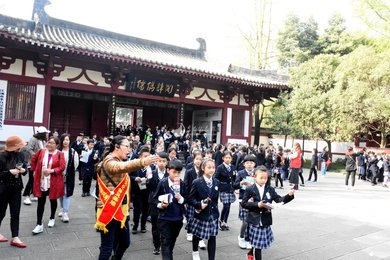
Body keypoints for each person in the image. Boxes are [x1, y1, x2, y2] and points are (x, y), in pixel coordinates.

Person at [95, 135, 158, 260]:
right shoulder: (109, 161)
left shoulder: (119, 160)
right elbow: (120, 168)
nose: (129, 150)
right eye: (127, 147)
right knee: (107, 248)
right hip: (109, 209)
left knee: (125, 242)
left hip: (121, 210)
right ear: (117, 147)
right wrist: (142, 162)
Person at [242, 166, 294, 260]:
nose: (263, 180)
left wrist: (289, 195)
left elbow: (278, 199)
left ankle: (250, 253)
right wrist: (257, 204)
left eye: (265, 178)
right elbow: (244, 204)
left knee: (258, 243)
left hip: (265, 219)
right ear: (255, 177)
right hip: (254, 220)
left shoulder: (270, 189)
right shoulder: (250, 189)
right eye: (261, 178)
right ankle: (252, 255)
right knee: (258, 246)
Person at [30, 136, 66, 234]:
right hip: (42, 181)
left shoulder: (60, 154)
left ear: (57, 145)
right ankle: (39, 224)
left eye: (52, 143)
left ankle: (52, 218)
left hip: (53, 181)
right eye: (48, 142)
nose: (49, 144)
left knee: (53, 200)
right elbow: (33, 159)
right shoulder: (42, 151)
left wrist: (52, 170)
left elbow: (62, 167)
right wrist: (33, 171)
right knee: (41, 202)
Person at [153, 159, 187, 260]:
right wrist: (160, 205)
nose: (176, 175)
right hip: (165, 219)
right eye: (174, 172)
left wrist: (181, 198)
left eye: (179, 172)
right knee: (165, 242)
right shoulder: (163, 183)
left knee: (172, 241)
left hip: (177, 219)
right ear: (168, 170)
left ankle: (169, 254)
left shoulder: (182, 184)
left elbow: (187, 199)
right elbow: (154, 199)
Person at [188, 158, 220, 260]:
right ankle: (195, 251)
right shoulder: (197, 182)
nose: (212, 170)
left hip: (213, 214)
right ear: (203, 168)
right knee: (197, 234)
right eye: (209, 167)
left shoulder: (216, 182)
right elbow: (190, 198)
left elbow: (215, 199)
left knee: (212, 236)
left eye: (213, 167)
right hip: (201, 213)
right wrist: (198, 204)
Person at [0, 136, 28, 248]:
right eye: (19, 146)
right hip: (3, 189)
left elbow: (25, 168)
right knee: (1, 213)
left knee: (15, 213)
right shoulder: (1, 156)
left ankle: (15, 237)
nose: (21, 148)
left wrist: (24, 170)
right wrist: (9, 172)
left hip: (16, 188)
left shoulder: (20, 154)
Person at [146, 152, 169, 255]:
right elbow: (149, 188)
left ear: (167, 162)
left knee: (165, 225)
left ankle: (165, 243)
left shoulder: (169, 174)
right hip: (154, 202)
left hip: (166, 202)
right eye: (160, 161)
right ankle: (156, 245)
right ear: (156, 162)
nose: (161, 163)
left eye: (164, 161)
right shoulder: (153, 172)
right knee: (155, 226)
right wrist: (149, 179)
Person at [233, 154, 257, 249]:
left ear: (254, 164)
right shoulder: (241, 173)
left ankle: (248, 239)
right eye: (247, 163)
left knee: (252, 221)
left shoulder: (257, 172)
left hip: (255, 200)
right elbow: (235, 185)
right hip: (244, 199)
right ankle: (241, 237)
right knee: (245, 221)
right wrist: (241, 183)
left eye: (251, 163)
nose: (249, 165)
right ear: (244, 164)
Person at [183, 149, 205, 249]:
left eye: (200, 159)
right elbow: (186, 185)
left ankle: (200, 238)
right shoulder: (189, 171)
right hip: (191, 198)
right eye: (197, 159)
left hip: (201, 199)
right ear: (193, 159)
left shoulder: (203, 172)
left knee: (200, 218)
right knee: (191, 217)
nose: (198, 161)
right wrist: (187, 198)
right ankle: (189, 232)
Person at [23, 126, 50, 205]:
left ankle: (33, 194)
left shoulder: (43, 141)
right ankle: (26, 196)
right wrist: (36, 156)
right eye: (46, 133)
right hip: (32, 163)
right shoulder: (33, 139)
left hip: (41, 164)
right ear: (42, 134)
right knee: (31, 179)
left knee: (37, 179)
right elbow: (29, 149)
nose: (47, 135)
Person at [130, 145, 153, 234]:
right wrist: (135, 178)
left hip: (147, 192)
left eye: (148, 156)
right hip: (137, 191)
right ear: (140, 157)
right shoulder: (135, 165)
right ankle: (135, 225)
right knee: (137, 210)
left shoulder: (152, 167)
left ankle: (143, 225)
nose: (147, 158)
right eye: (145, 156)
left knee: (146, 209)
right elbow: (129, 176)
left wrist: (149, 178)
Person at [58, 133, 80, 222]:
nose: (65, 141)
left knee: (66, 194)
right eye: (64, 139)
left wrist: (68, 172)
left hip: (69, 176)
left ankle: (65, 212)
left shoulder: (73, 152)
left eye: (67, 139)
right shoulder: (58, 151)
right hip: (58, 175)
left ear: (70, 141)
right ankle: (62, 208)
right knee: (60, 194)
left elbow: (75, 164)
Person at [215, 150, 236, 231]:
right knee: (226, 206)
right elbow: (216, 178)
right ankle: (221, 221)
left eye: (229, 158)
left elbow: (234, 178)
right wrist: (219, 186)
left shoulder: (233, 167)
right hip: (223, 189)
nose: (228, 159)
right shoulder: (220, 167)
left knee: (229, 206)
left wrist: (235, 187)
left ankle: (225, 222)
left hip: (231, 189)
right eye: (226, 158)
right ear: (223, 158)